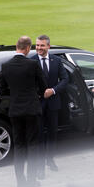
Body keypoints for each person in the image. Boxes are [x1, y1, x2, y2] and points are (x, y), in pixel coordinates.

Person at [0, 36, 47, 187]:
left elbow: (1, 90)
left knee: (19, 146)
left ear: (17, 46)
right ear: (27, 48)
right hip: (32, 109)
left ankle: (20, 182)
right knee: (32, 145)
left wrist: (14, 96)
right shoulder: (32, 64)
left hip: (15, 110)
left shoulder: (6, 66)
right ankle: (32, 181)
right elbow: (43, 86)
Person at [30, 35, 68, 179]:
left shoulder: (57, 61)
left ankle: (50, 159)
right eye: (37, 45)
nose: (39, 48)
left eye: (42, 45)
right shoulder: (31, 61)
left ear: (48, 47)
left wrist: (53, 90)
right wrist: (39, 93)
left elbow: (65, 79)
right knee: (39, 135)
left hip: (53, 104)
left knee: (52, 133)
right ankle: (39, 166)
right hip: (37, 104)